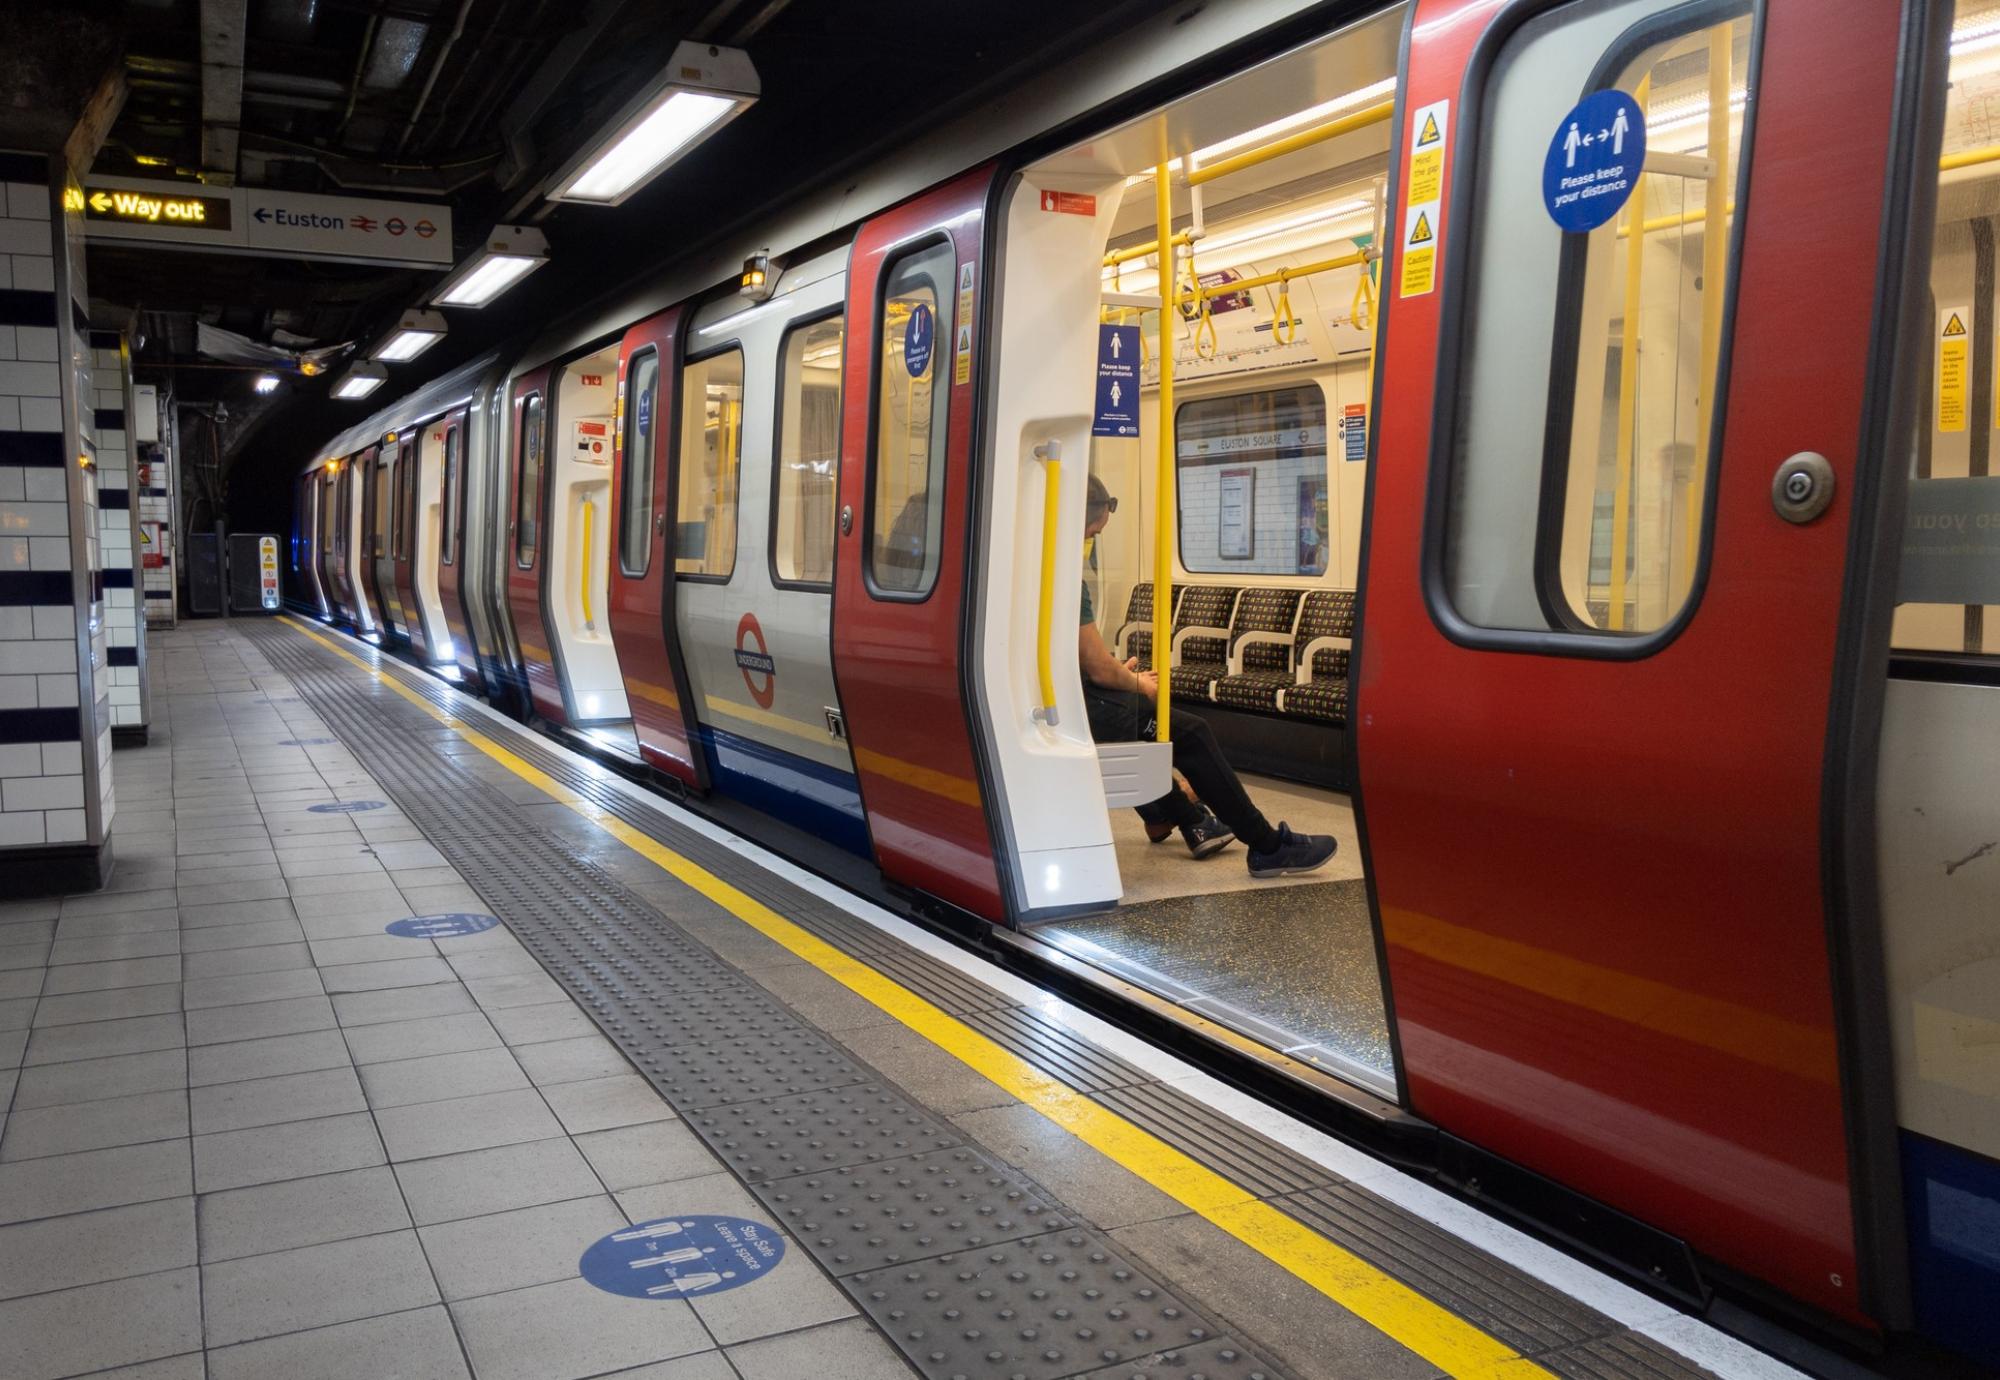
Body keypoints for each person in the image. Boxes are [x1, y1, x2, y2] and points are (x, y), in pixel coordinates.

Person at [1078, 474, 1338, 878]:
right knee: (1189, 732)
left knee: (1146, 724)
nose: (1090, 544)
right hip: (1081, 701)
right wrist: (1137, 684)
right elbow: (1095, 665)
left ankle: (1176, 815)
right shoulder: (1065, 580)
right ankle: (1266, 845)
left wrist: (1117, 674)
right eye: (1091, 533)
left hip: (1069, 694)